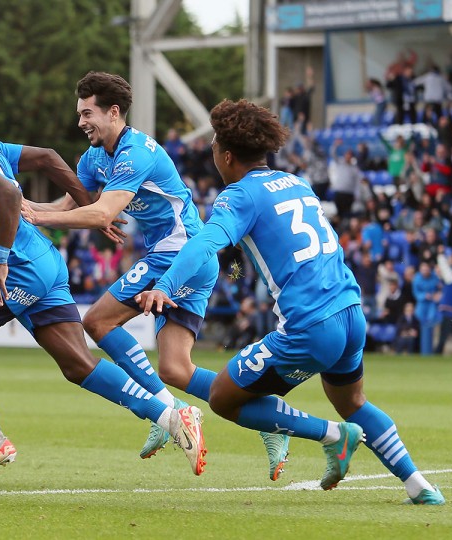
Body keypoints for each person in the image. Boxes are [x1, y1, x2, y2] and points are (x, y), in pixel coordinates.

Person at [136, 99, 444, 504]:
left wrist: (165, 285)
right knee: (353, 401)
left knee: (223, 399)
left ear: (226, 156)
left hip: (311, 326)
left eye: (213, 146)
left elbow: (204, 245)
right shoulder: (296, 182)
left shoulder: (238, 195)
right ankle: (419, 485)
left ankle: (334, 436)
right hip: (351, 312)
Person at [0, 104, 205, 482]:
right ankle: (172, 415)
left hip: (19, 269)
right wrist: (91, 206)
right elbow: (47, 158)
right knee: (79, 366)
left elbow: (9, 195)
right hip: (47, 262)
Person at [22, 71, 289, 481]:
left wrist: (42, 216)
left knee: (96, 320)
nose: (80, 122)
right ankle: (272, 421)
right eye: (78, 114)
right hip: (186, 259)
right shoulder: (93, 158)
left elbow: (101, 213)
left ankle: (167, 411)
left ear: (114, 112)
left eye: (87, 113)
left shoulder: (136, 152)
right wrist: (27, 206)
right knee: (176, 368)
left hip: (179, 252)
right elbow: (77, 200)